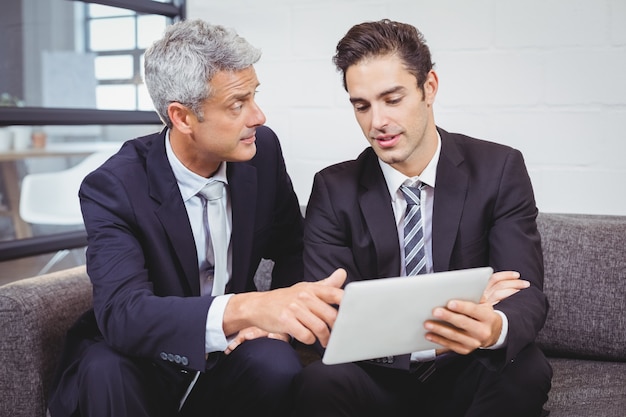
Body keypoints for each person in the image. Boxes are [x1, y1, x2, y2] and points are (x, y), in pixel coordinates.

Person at [47, 19, 345, 417]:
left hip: (227, 353)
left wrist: (275, 324)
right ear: (183, 117)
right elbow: (124, 313)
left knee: (276, 362)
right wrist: (248, 308)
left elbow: (292, 246)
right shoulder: (115, 187)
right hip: (142, 357)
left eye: (254, 96)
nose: (258, 116)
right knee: (105, 369)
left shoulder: (263, 152)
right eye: (237, 105)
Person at [292, 19, 552, 417]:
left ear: (428, 87)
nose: (376, 122)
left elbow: (524, 290)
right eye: (361, 106)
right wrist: (450, 315)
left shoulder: (499, 169)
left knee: (526, 369)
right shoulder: (332, 189)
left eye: (392, 99)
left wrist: (490, 325)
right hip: (376, 375)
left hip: (467, 364)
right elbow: (331, 316)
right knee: (317, 383)